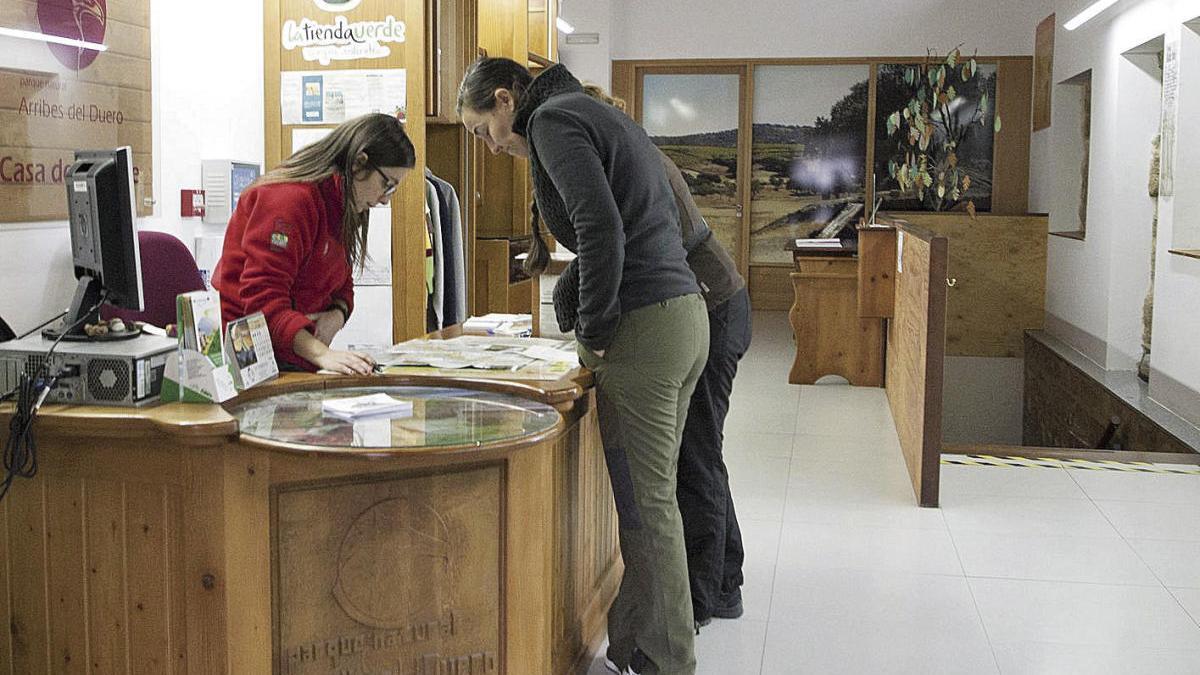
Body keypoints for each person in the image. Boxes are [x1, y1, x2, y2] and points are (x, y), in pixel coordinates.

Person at [458, 58, 708, 675]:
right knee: (655, 505)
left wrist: (593, 326)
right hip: (679, 315)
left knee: (648, 511)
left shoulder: (553, 120)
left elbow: (600, 228)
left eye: (479, 130)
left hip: (645, 330)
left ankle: (667, 660)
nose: (487, 148)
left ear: (503, 100)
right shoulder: (590, 112)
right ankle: (635, 643)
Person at [578, 84, 752, 628]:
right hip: (716, 301)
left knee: (695, 455)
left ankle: (703, 594)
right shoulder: (641, 157)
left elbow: (638, 248)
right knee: (701, 451)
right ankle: (724, 576)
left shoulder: (635, 165)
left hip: (711, 304)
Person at [214, 113, 415, 374]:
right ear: (358, 163)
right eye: (386, 185)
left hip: (293, 356)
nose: (385, 199)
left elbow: (342, 283)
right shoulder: (289, 201)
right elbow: (263, 304)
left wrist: (337, 315)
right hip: (252, 361)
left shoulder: (338, 203)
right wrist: (322, 353)